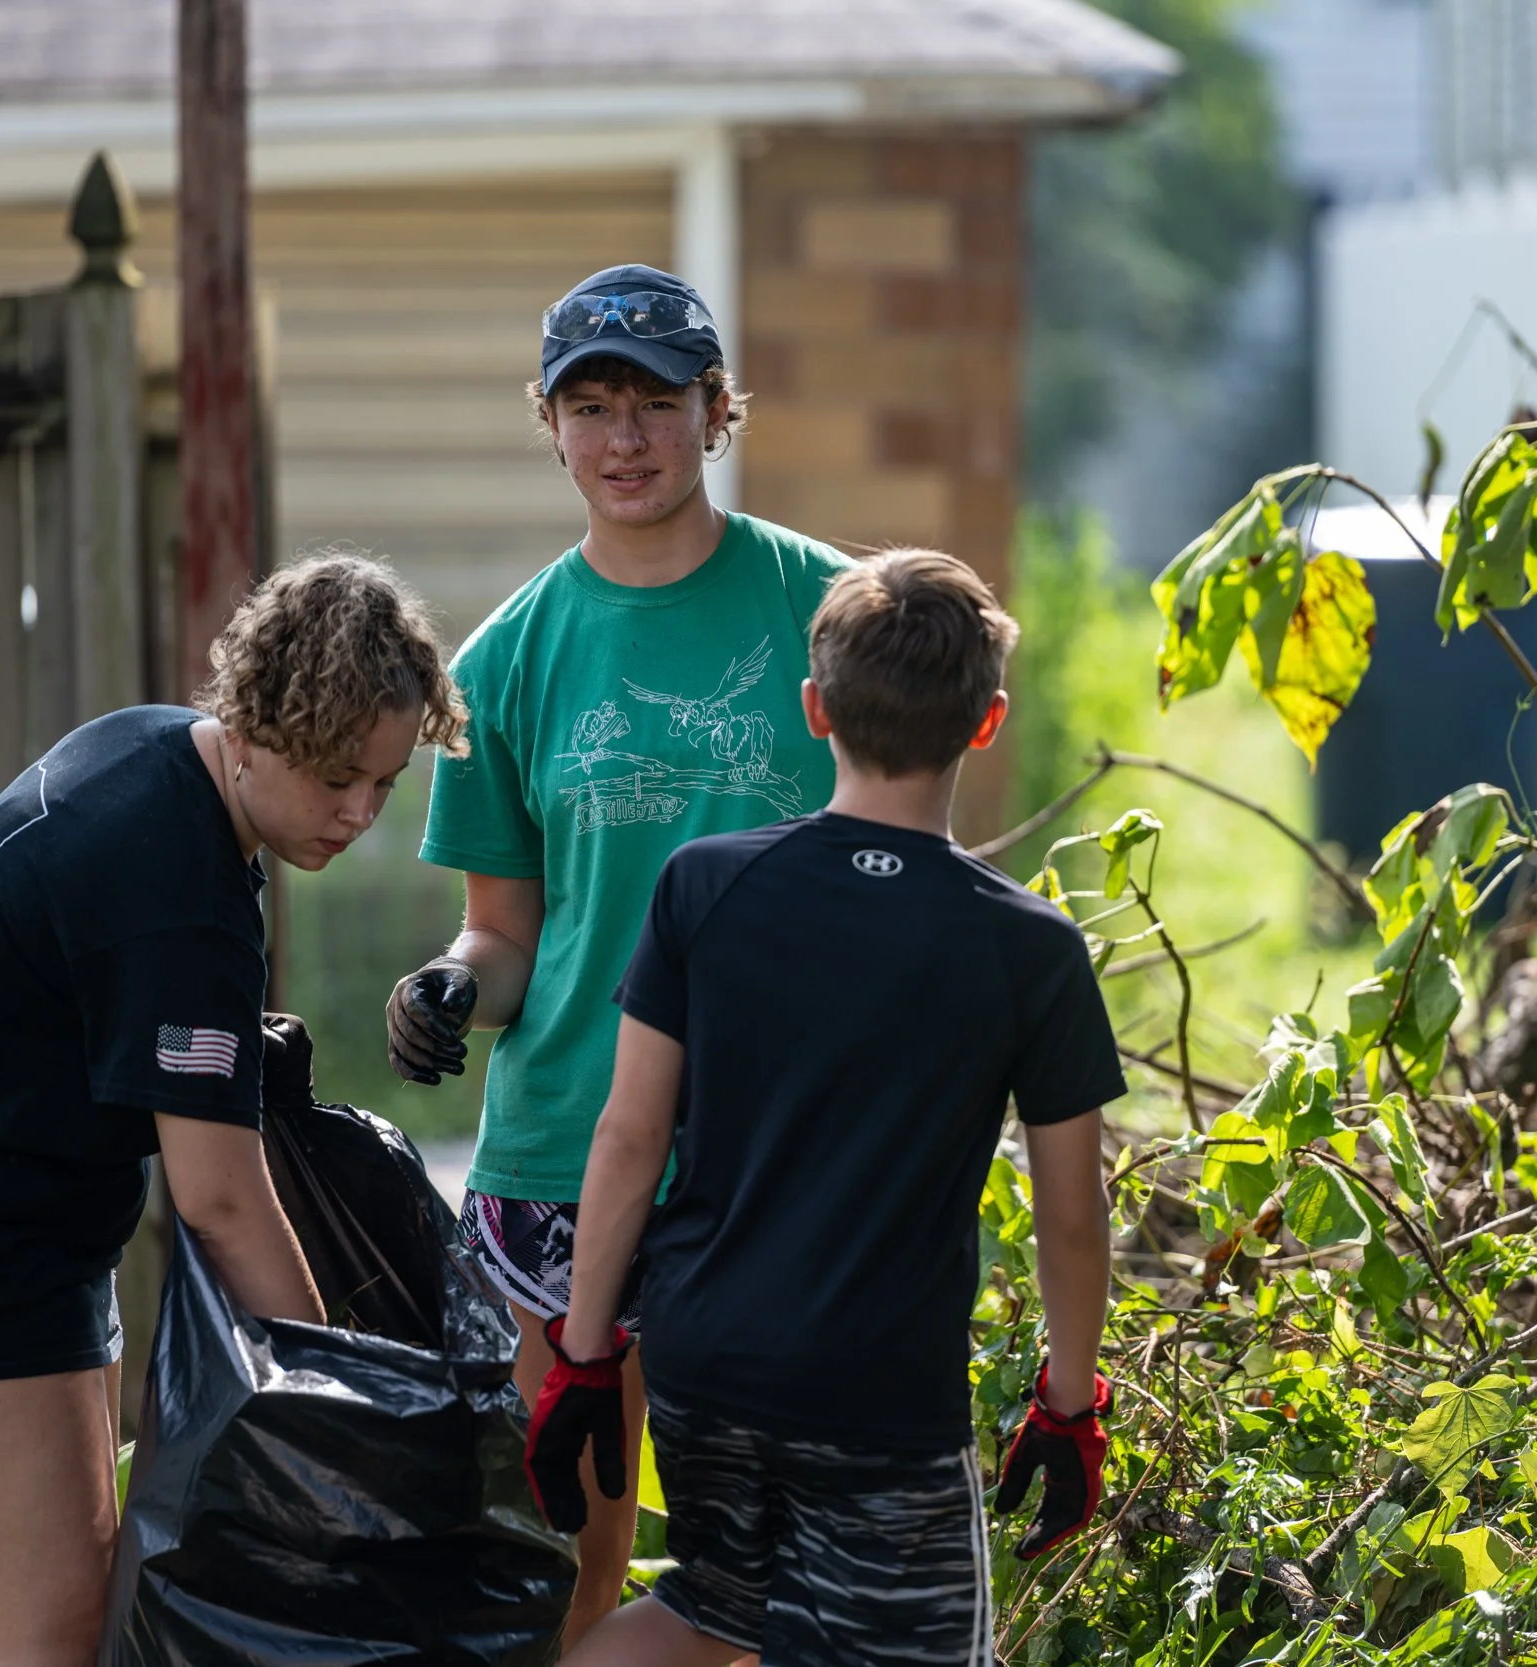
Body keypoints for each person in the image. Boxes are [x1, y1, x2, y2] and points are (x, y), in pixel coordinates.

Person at [0, 555, 466, 1667]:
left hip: (15, 1227)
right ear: (249, 725)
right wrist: (344, 1410)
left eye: (384, 782)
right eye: (336, 775)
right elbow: (221, 1203)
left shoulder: (148, 744)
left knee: (93, 1606)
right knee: (39, 1641)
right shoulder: (177, 893)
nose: (357, 811)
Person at [526, 551, 1129, 1666]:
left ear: (812, 708)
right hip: (875, 1386)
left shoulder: (705, 884)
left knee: (712, 1602)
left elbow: (627, 1136)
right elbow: (1071, 1212)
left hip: (705, 1357)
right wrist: (1067, 1404)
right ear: (986, 723)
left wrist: (583, 1353)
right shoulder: (1027, 946)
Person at [383, 262, 850, 1638]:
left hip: (773, 1153)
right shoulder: (510, 657)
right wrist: (454, 983)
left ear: (718, 410)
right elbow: (509, 931)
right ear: (552, 425)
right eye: (591, 405)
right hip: (566, 1155)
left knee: (758, 1568)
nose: (626, 437)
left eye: (658, 399)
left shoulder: (827, 610)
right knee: (567, 1559)